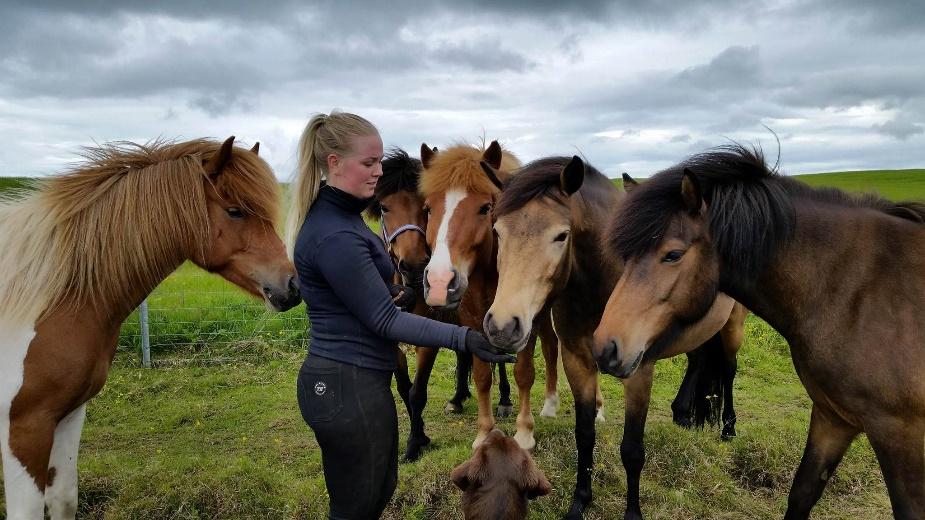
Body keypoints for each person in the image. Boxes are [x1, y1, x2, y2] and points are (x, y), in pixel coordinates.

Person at [288, 111, 515, 520]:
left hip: (358, 382)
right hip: (344, 384)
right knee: (357, 504)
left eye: (379, 161)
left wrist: (398, 291)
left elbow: (366, 297)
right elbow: (384, 322)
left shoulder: (345, 220)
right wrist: (466, 339)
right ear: (334, 164)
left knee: (378, 490)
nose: (379, 172)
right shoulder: (336, 233)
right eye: (368, 163)